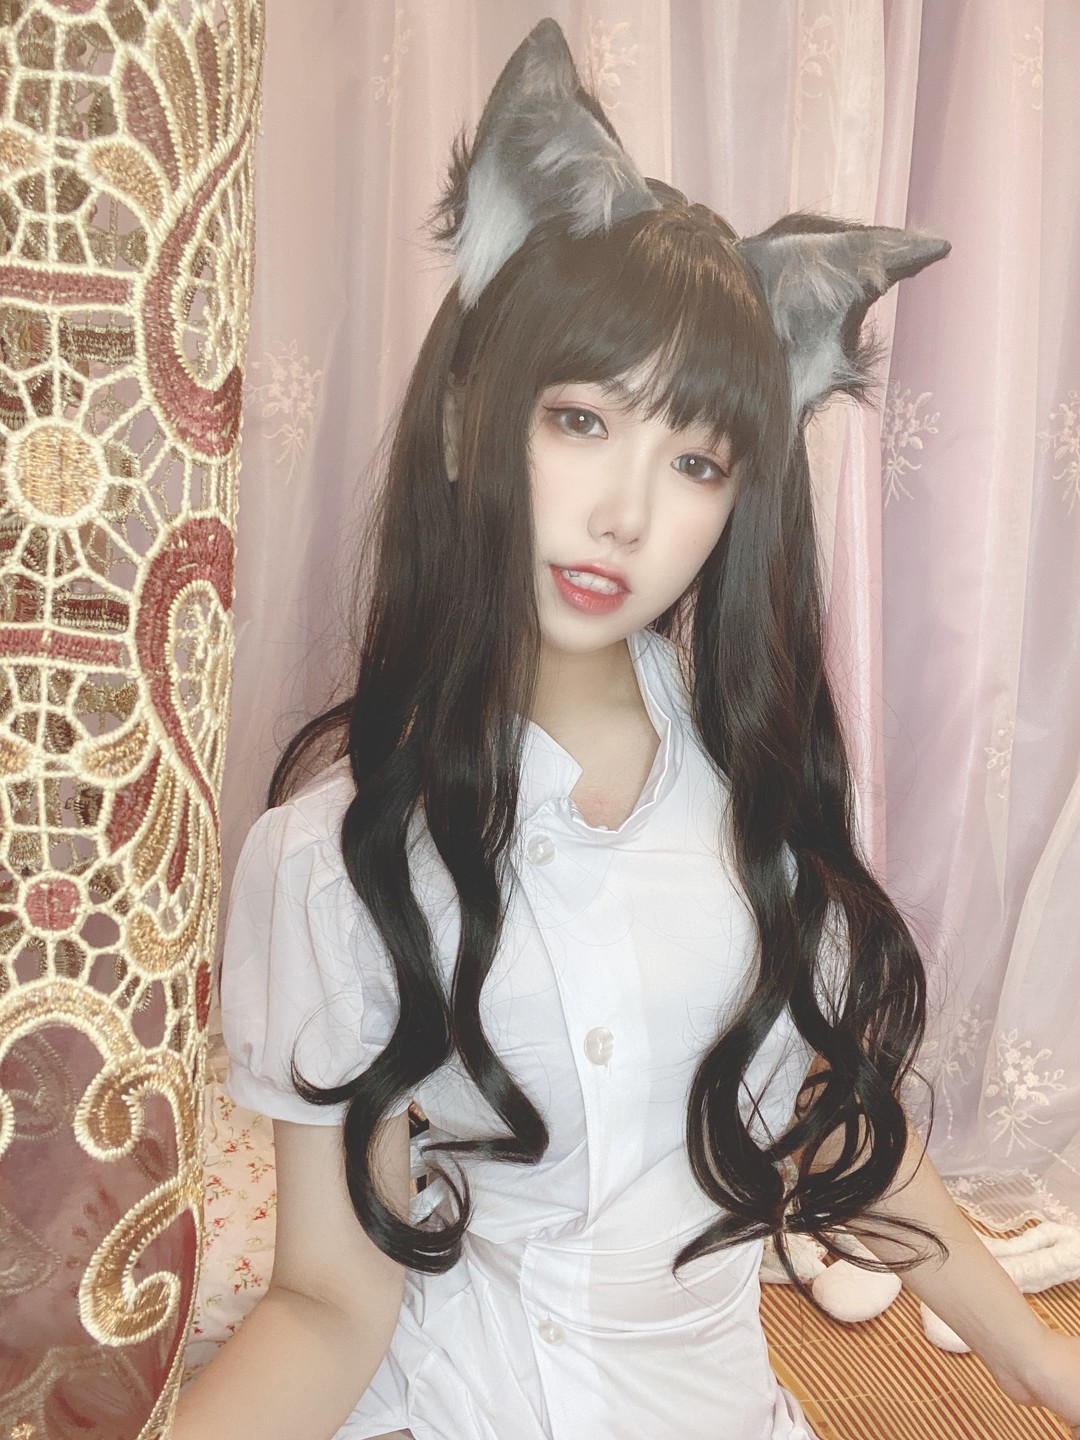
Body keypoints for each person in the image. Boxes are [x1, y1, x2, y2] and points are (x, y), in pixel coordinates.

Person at [174, 19, 1080, 1440]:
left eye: (697, 459)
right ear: (469, 422)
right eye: (582, 421)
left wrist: (1039, 1363)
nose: (627, 514)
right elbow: (331, 1305)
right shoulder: (333, 861)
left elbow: (836, 1129)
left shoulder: (756, 801)